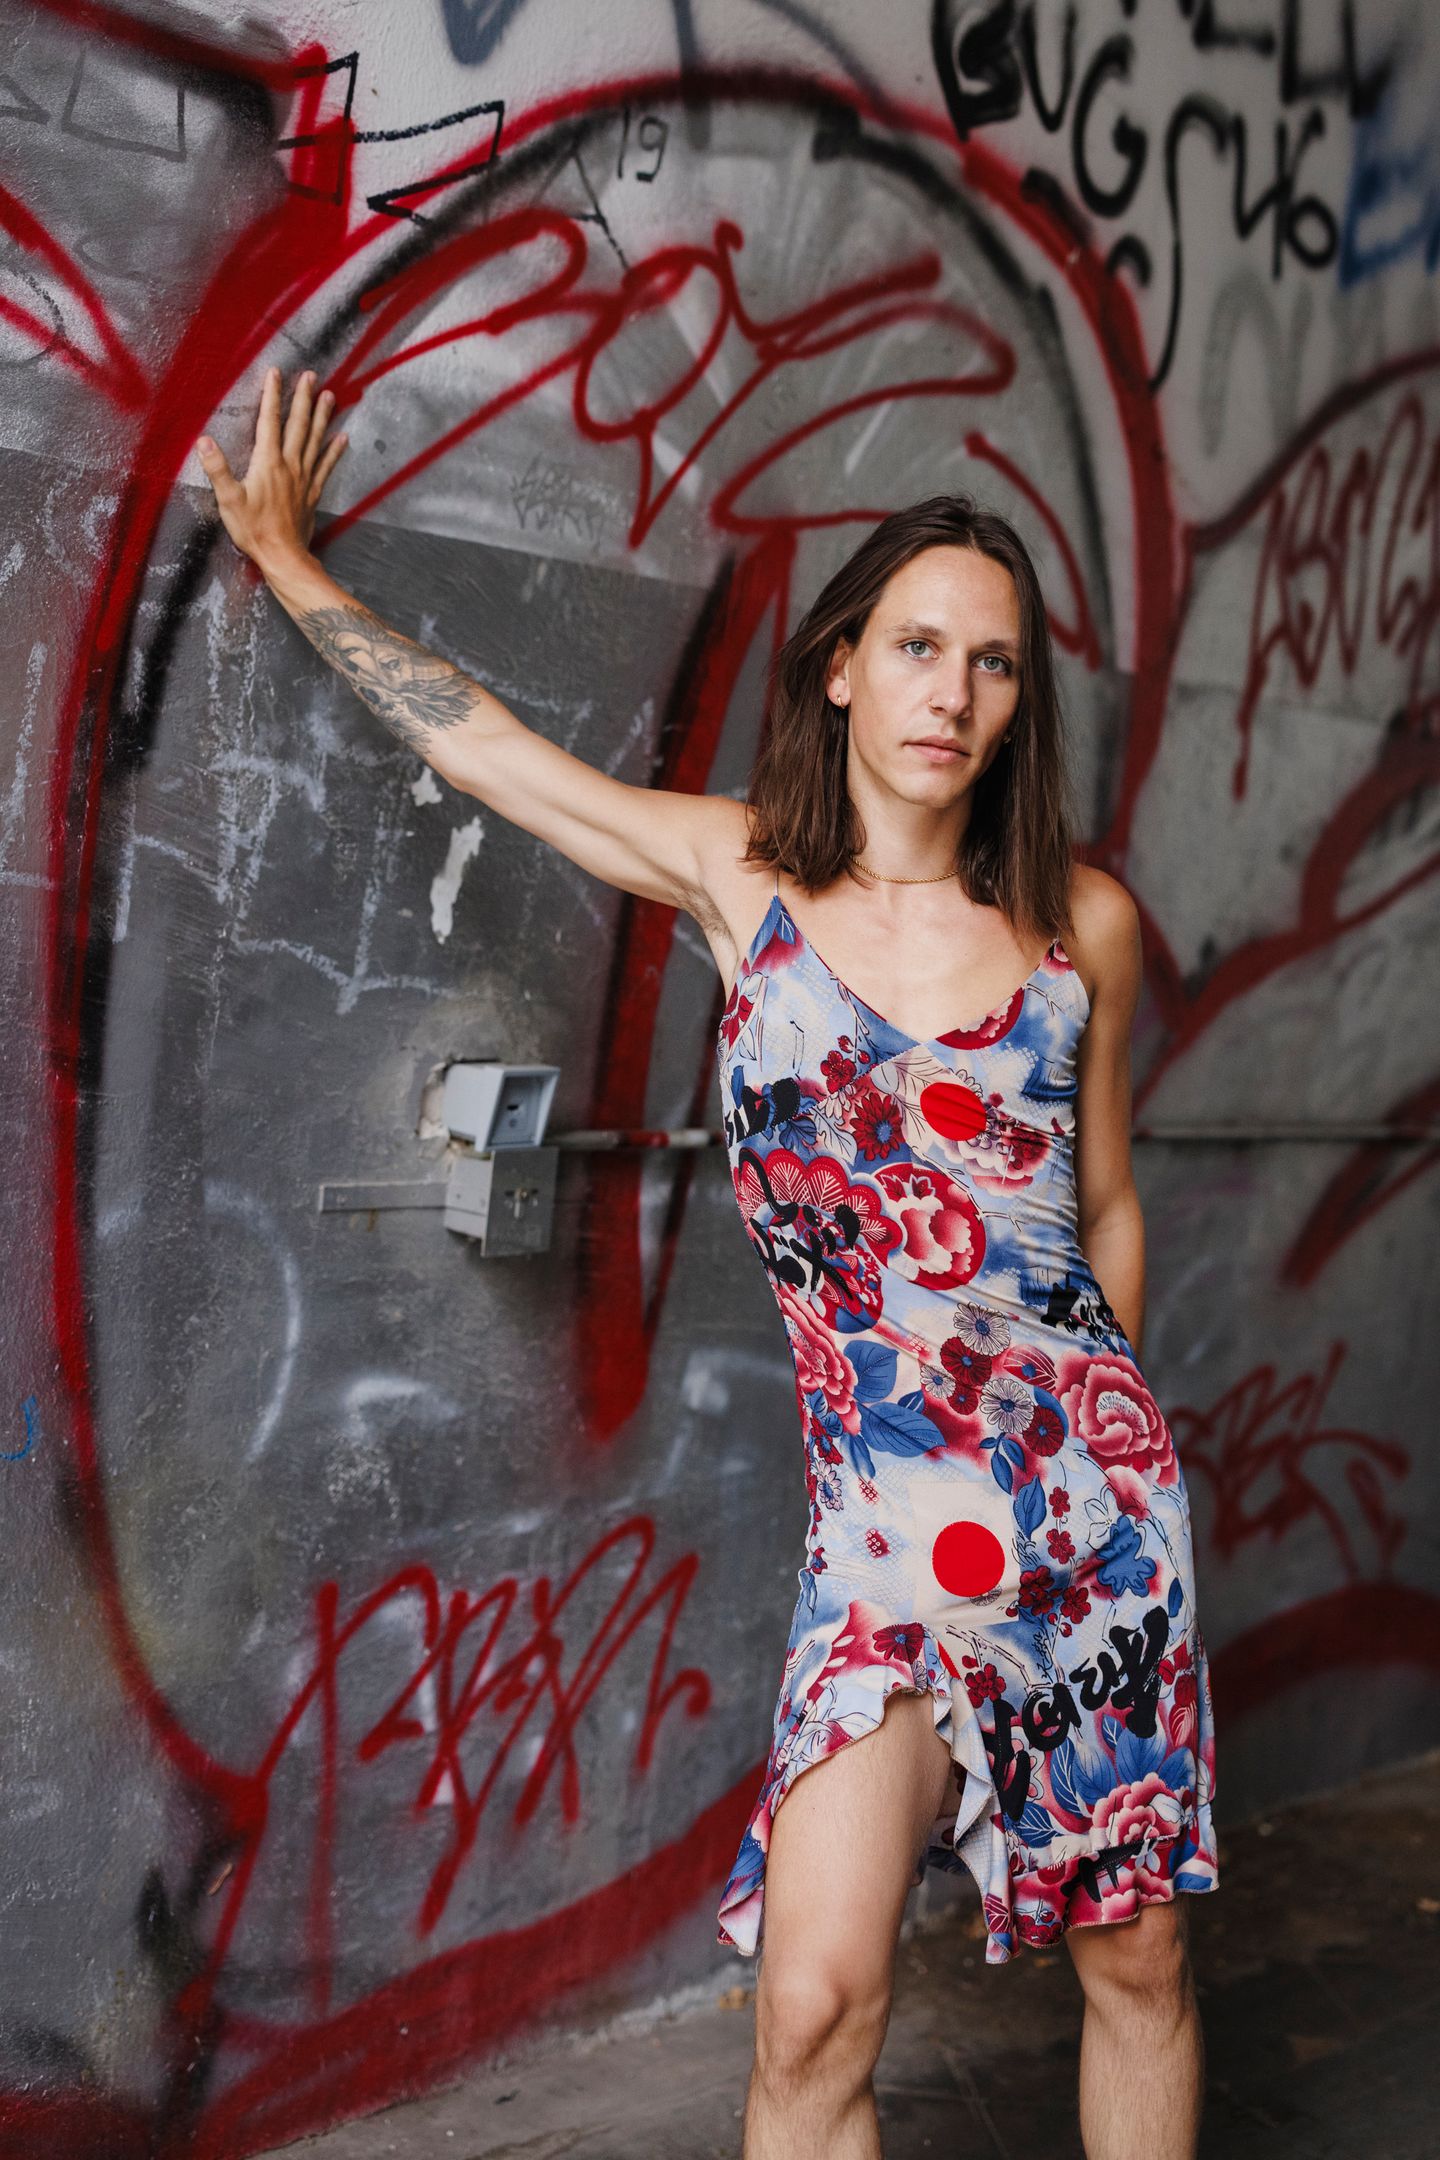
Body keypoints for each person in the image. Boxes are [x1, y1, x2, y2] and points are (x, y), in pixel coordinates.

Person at [197, 370, 1218, 2160]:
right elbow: (494, 757)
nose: (952, 694)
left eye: (992, 664)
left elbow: (1108, 1202)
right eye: (918, 648)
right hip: (881, 1542)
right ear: (841, 669)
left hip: (1090, 1526)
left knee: (1135, 1964)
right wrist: (288, 563)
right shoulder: (745, 883)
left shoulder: (1082, 930)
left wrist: (1094, 1446)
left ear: (1017, 706)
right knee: (812, 2002)